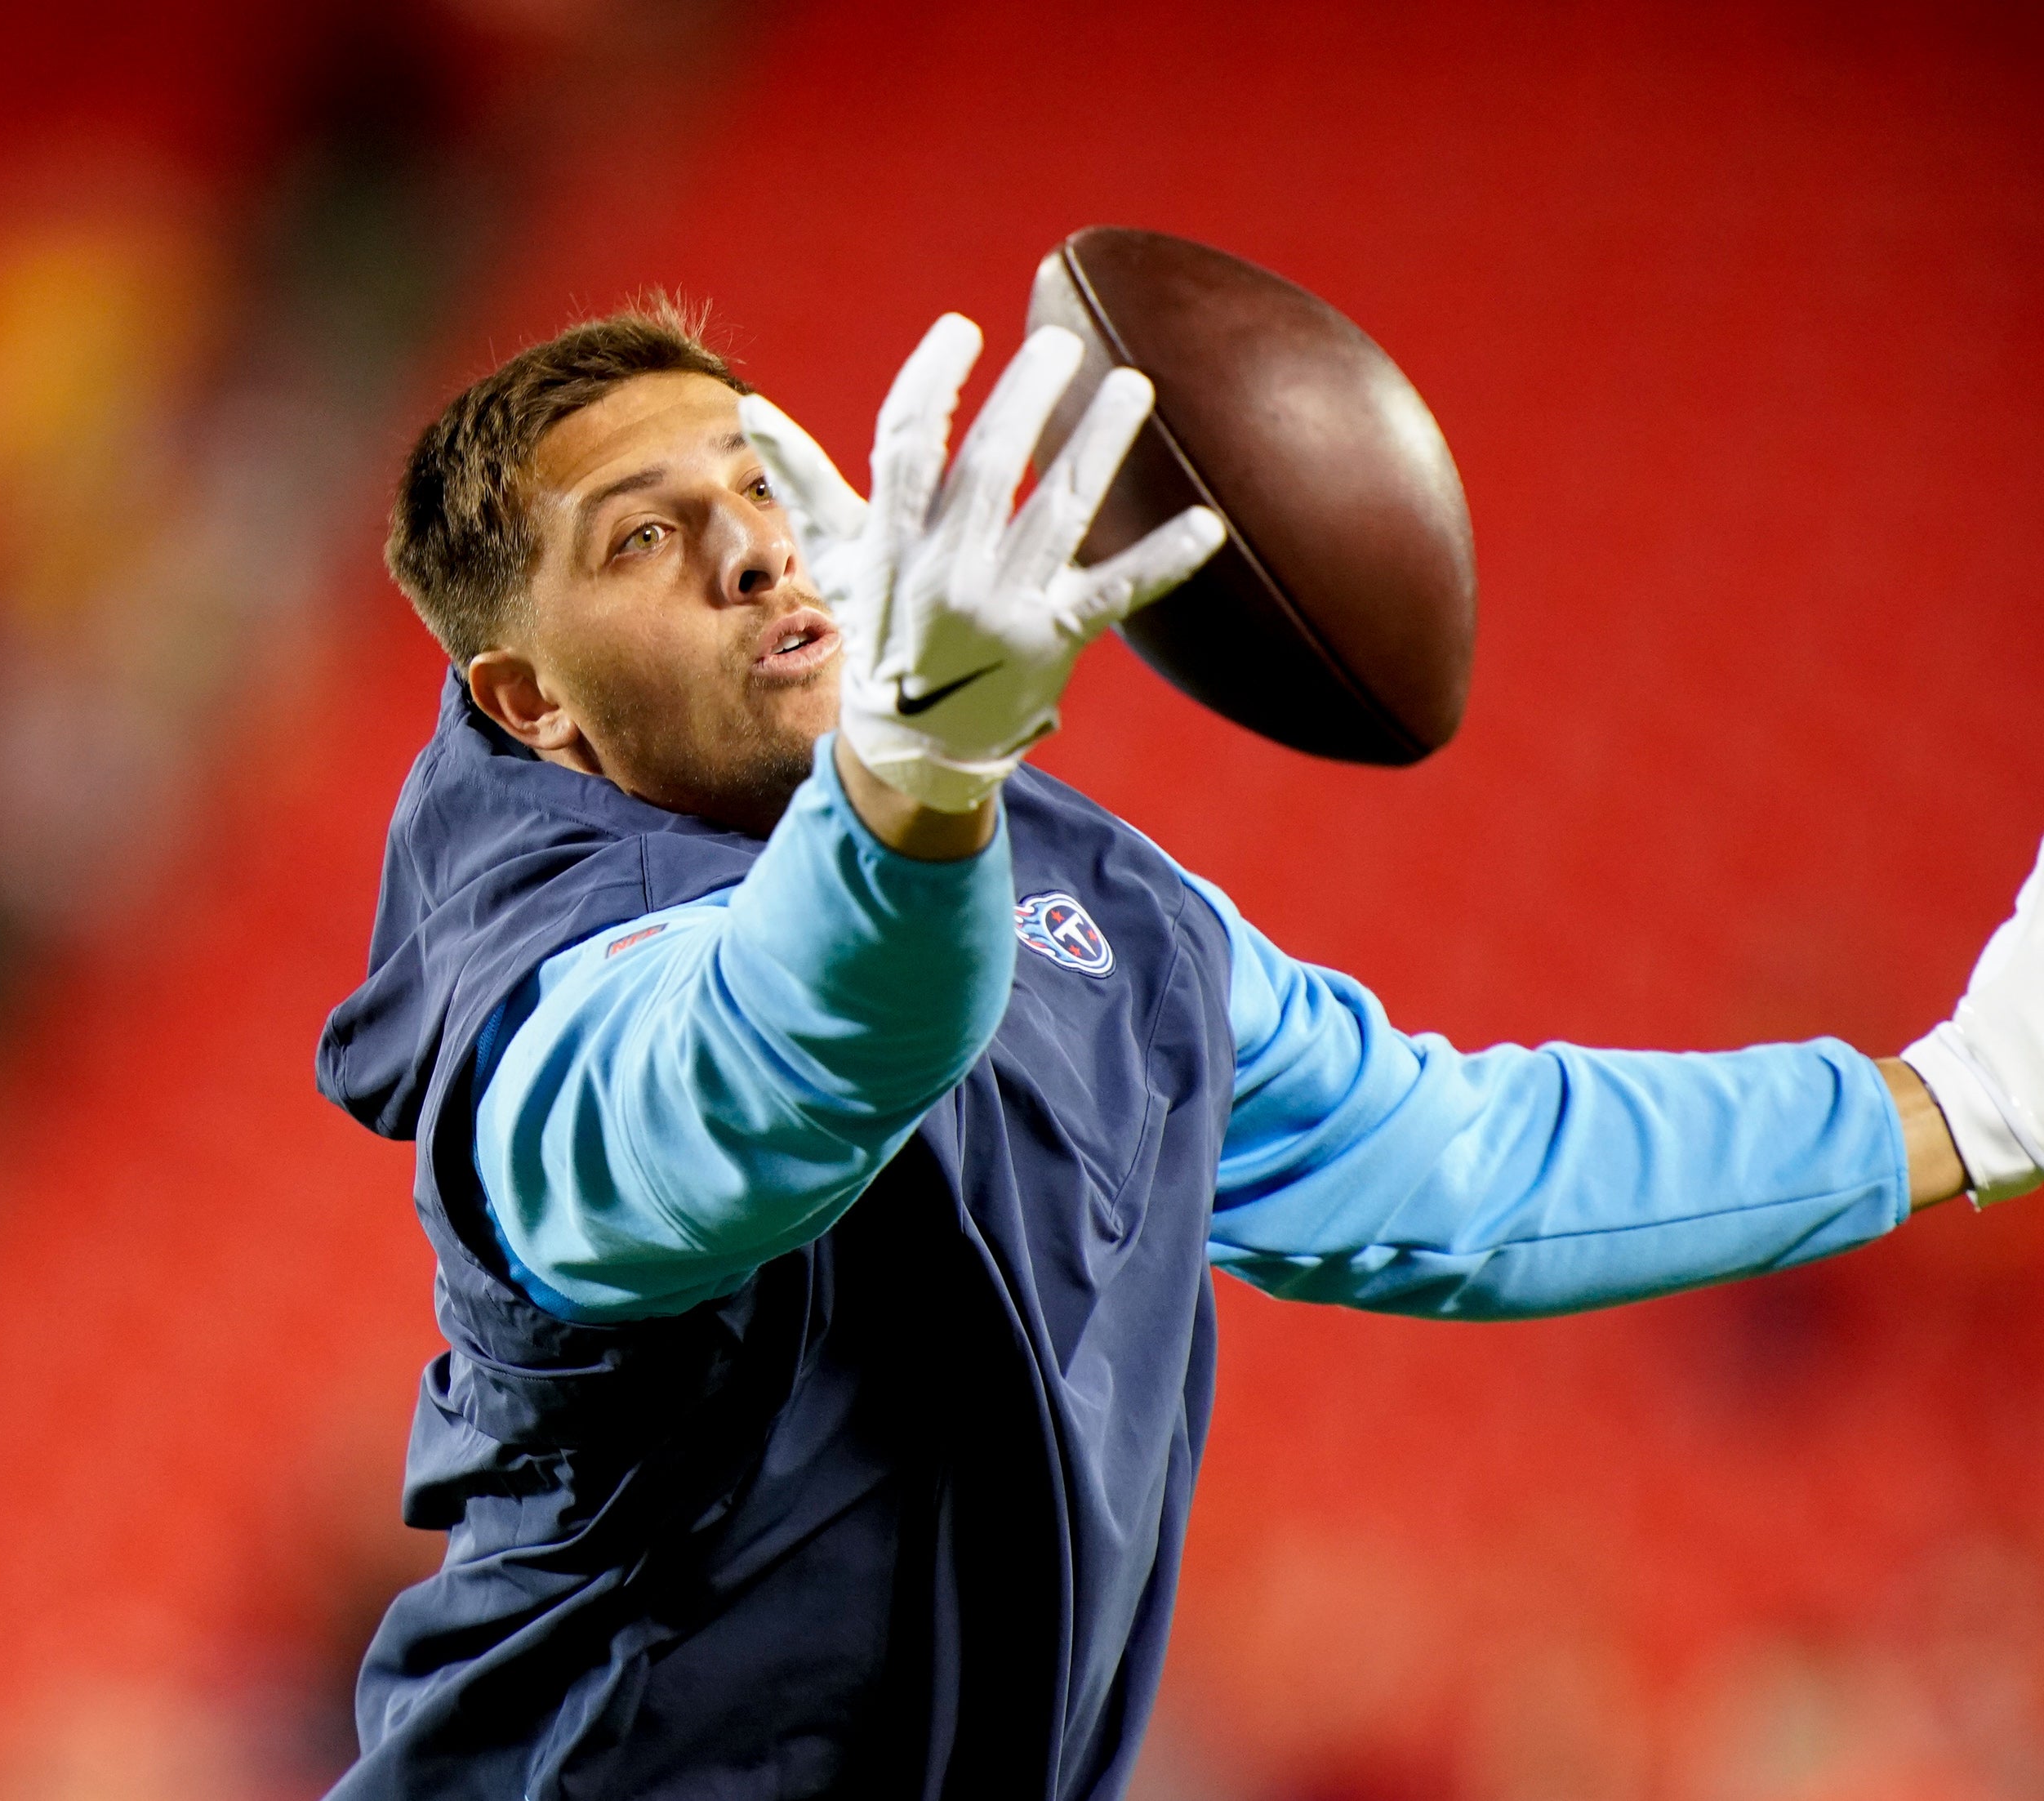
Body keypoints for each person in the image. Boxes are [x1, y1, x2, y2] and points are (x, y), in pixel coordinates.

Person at [314, 278, 2043, 1799]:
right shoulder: (536, 1000)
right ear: (530, 702)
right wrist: (915, 783)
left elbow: (1450, 1165)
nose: (752, 544)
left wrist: (1956, 1099)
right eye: (642, 534)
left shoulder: (1080, 890)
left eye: (754, 484)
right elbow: (773, 1063)